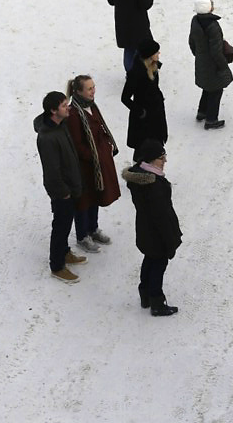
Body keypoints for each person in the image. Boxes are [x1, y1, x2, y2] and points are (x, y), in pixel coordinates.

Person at [122, 137, 182, 316]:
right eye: (161, 157)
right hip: (157, 234)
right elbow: (161, 216)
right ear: (149, 159)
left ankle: (145, 294)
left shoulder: (141, 178)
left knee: (149, 260)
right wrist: (170, 241)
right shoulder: (153, 185)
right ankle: (157, 301)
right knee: (158, 265)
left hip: (145, 231)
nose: (165, 161)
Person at [33, 91, 87, 283]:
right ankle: (57, 266)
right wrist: (63, 193)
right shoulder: (47, 138)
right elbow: (52, 171)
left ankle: (64, 252)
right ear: (53, 111)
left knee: (66, 222)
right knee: (61, 227)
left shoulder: (61, 124)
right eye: (64, 106)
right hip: (61, 191)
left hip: (70, 186)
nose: (68, 107)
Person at [65, 75, 120, 253]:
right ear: (78, 91)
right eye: (89, 88)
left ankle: (93, 228)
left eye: (93, 87)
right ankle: (82, 235)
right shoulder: (73, 114)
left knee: (96, 195)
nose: (93, 91)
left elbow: (100, 128)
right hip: (84, 167)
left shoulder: (91, 106)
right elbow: (77, 144)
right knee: (83, 200)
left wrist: (106, 145)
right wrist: (94, 155)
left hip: (98, 162)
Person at [189, 0, 233, 130]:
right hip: (212, 64)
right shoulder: (213, 26)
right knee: (216, 90)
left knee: (207, 87)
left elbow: (191, 42)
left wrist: (199, 55)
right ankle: (211, 119)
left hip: (202, 61)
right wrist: (223, 65)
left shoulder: (195, 21)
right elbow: (216, 51)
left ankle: (202, 112)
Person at [107, 0, 154, 74]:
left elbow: (110, 0)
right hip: (139, 23)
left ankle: (130, 73)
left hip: (123, 23)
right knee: (144, 47)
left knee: (129, 49)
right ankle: (147, 72)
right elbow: (147, 3)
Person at [121, 38, 168, 157]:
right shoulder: (136, 73)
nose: (159, 54)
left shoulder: (153, 67)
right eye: (156, 52)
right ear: (149, 55)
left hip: (156, 115)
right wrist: (140, 111)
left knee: (157, 147)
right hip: (143, 120)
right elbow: (125, 98)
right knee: (142, 150)